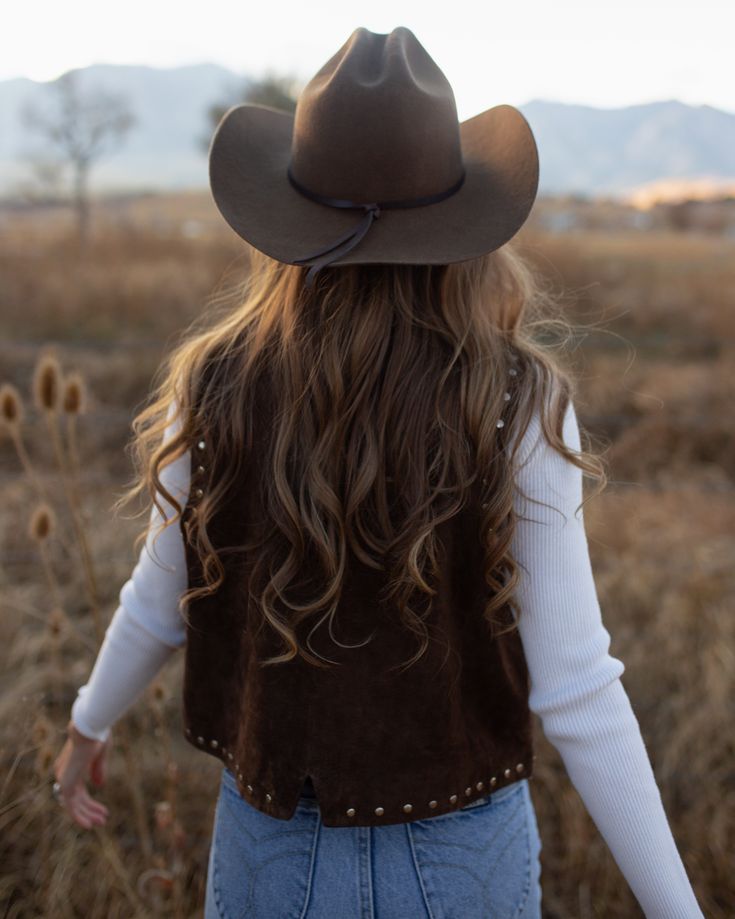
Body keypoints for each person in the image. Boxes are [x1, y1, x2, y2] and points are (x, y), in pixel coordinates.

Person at [53, 26, 706, 919]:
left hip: (269, 847)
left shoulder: (214, 381)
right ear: (461, 226)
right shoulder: (517, 398)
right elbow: (578, 687)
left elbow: (161, 593)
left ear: (290, 220)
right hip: (461, 852)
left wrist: (90, 717)